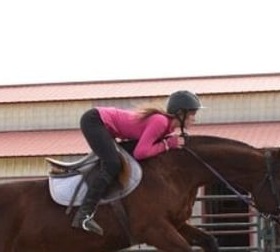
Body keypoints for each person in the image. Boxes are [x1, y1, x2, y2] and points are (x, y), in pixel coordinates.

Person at [71, 89, 204, 236]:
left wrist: (168, 142)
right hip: (95, 121)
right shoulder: (160, 122)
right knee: (112, 164)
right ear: (180, 113)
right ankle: (84, 214)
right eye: (192, 114)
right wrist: (167, 145)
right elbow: (141, 153)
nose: (194, 119)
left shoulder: (167, 128)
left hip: (105, 125)